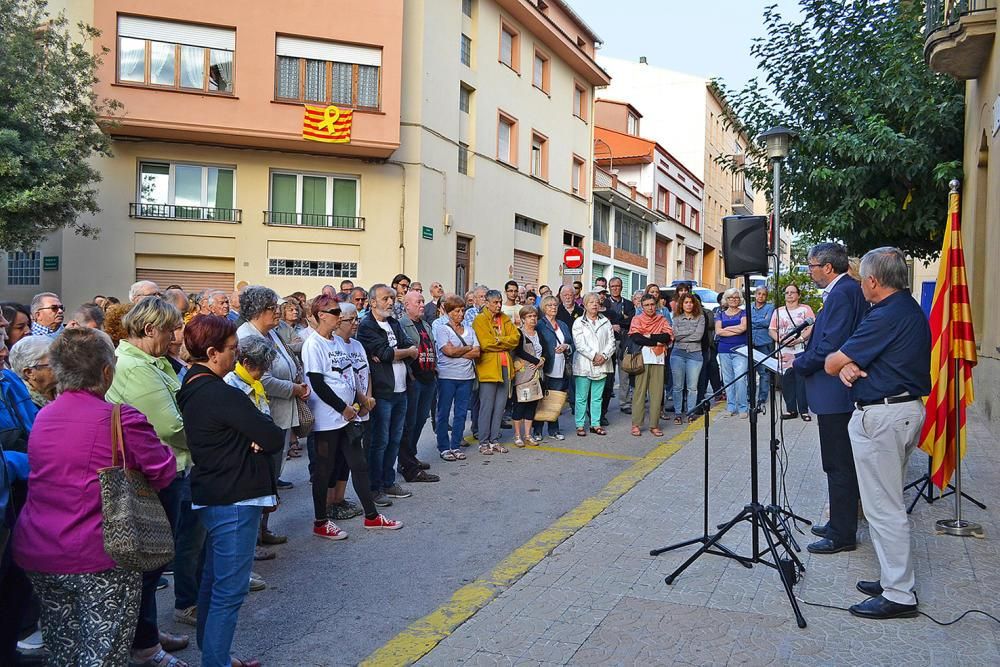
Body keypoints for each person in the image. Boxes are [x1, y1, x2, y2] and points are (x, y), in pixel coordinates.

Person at [13, 328, 176, 667]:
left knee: (63, 651)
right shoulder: (121, 418)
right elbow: (163, 471)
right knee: (103, 654)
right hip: (100, 553)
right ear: (106, 372)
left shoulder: (44, 415)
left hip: (40, 548)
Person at [823, 247, 930, 620]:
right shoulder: (905, 308)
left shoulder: (886, 313)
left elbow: (833, 360)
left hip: (885, 416)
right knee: (886, 502)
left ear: (871, 280)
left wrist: (843, 365)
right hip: (899, 410)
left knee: (883, 508)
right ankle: (891, 578)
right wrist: (850, 367)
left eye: (861, 277)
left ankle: (899, 594)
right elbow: (853, 363)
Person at [176, 315, 283, 667]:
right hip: (234, 497)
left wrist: (251, 435)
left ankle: (216, 655)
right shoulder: (219, 391)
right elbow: (271, 435)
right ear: (211, 352)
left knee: (212, 581)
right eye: (232, 350)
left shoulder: (191, 383)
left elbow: (259, 434)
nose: (236, 358)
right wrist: (252, 437)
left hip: (216, 491)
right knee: (228, 590)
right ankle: (216, 661)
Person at [104, 296, 190, 666]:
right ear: (150, 328)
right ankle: (144, 646)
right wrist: (213, 439)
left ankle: (148, 633)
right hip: (155, 475)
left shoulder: (150, 361)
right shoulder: (135, 367)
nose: (174, 337)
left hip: (167, 469)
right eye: (169, 329)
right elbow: (170, 425)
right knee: (148, 565)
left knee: (153, 565)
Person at [302, 296, 403, 539]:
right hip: (328, 418)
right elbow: (317, 383)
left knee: (358, 464)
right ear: (321, 315)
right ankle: (320, 521)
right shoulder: (313, 344)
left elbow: (347, 377)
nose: (339, 315)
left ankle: (371, 516)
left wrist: (361, 400)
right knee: (324, 470)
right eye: (334, 311)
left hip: (349, 415)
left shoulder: (337, 342)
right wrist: (342, 407)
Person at [792, 242, 868, 556]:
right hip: (833, 392)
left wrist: (799, 363)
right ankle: (839, 521)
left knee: (839, 464)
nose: (809, 273)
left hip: (838, 393)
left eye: (811, 266)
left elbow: (831, 347)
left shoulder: (843, 292)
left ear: (827, 267)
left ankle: (842, 533)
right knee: (835, 463)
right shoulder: (844, 290)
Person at [237, 286, 310, 548]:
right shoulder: (246, 336)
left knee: (271, 475)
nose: (278, 312)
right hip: (264, 414)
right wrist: (294, 388)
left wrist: (297, 379)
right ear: (257, 310)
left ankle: (262, 530)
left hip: (279, 413)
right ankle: (252, 539)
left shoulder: (270, 333)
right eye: (272, 308)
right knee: (260, 478)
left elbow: (287, 363)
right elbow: (262, 378)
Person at [358, 284, 418, 504]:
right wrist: (398, 353)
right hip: (383, 392)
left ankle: (388, 481)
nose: (391, 302)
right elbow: (384, 353)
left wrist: (399, 353)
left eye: (392, 298)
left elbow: (412, 347)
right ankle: (374, 488)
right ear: (373, 302)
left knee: (394, 439)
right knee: (379, 441)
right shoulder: (367, 326)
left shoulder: (393, 322)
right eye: (385, 299)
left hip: (401, 390)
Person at [471, 290, 520, 454]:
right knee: (487, 406)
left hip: (506, 367)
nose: (499, 305)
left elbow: (516, 338)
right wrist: (504, 342)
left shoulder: (505, 318)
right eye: (495, 302)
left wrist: (499, 341)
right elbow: (485, 344)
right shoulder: (480, 320)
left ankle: (494, 440)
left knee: (500, 406)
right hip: (488, 368)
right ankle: (483, 442)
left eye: (500, 302)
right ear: (487, 302)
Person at [398, 291, 440, 482]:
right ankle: (406, 462)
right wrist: (411, 375)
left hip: (429, 377)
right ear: (407, 305)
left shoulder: (425, 324)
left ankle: (410, 456)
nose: (422, 305)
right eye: (418, 302)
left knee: (422, 418)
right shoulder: (401, 325)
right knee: (410, 422)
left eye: (423, 301)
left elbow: (432, 347)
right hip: (414, 379)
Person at [433, 295, 480, 460]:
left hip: (466, 377)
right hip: (447, 376)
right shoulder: (442, 329)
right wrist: (467, 348)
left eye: (462, 310)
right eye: (457, 311)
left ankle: (455, 445)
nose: (461, 314)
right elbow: (448, 351)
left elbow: (477, 352)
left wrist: (459, 350)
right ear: (449, 312)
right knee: (444, 412)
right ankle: (444, 446)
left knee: (460, 413)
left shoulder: (470, 329)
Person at [571, 293, 615, 437]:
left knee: (597, 397)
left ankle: (595, 424)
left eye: (596, 302)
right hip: (584, 364)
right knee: (581, 397)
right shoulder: (579, 322)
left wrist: (604, 356)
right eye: (590, 302)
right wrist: (593, 356)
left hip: (602, 364)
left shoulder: (606, 321)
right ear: (584, 305)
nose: (594, 305)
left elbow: (611, 342)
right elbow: (579, 344)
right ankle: (579, 425)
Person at [628, 294, 673, 437]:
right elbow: (636, 338)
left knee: (657, 393)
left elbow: (667, 336)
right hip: (642, 358)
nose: (650, 307)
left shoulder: (662, 319)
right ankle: (636, 424)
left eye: (652, 304)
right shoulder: (637, 319)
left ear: (656, 305)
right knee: (640, 393)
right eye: (646, 305)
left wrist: (649, 336)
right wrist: (656, 340)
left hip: (658, 359)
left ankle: (654, 424)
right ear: (642, 306)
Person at [770, 283, 815, 420]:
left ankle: (804, 410)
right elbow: (771, 329)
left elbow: (812, 326)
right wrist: (781, 340)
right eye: (787, 292)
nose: (789, 295)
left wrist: (800, 338)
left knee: (801, 380)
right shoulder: (778, 311)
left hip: (801, 349)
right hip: (784, 349)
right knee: (786, 380)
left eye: (792, 292)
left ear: (798, 295)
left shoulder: (805, 309)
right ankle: (791, 410)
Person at [532, 295, 572, 441]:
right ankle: (537, 430)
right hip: (546, 366)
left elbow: (571, 343)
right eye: (549, 305)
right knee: (542, 398)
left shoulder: (562, 324)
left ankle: (553, 429)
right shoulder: (540, 324)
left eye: (555, 305)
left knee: (556, 399)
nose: (553, 308)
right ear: (544, 308)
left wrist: (566, 346)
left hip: (561, 367)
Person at [511, 305, 544, 447]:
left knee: (532, 404)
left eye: (535, 316)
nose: (533, 319)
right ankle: (517, 435)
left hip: (537, 374)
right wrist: (536, 361)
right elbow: (519, 352)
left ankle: (528, 435)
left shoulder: (538, 333)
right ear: (523, 319)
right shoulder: (519, 333)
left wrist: (542, 360)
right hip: (523, 375)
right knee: (520, 405)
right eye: (529, 316)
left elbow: (546, 350)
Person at [670, 294, 705, 424]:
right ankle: (678, 413)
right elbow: (674, 335)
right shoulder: (676, 318)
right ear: (682, 304)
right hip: (678, 353)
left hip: (695, 354)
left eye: (691, 302)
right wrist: (690, 332)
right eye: (686, 302)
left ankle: (691, 412)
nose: (689, 304)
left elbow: (698, 336)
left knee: (692, 387)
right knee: (677, 386)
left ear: (694, 304)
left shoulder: (700, 318)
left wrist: (682, 335)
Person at [715, 288, 749, 417]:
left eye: (736, 297)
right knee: (728, 380)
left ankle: (743, 407)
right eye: (730, 297)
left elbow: (743, 328)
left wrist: (727, 329)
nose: (733, 300)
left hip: (740, 349)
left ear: (740, 299)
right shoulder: (720, 314)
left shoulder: (744, 313)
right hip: (724, 350)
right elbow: (718, 331)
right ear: (726, 299)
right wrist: (735, 329)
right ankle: (731, 406)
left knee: (740, 379)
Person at [606, 277, 636, 413]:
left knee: (624, 373)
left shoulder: (629, 304)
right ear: (609, 288)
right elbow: (603, 320)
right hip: (607, 341)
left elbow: (631, 320)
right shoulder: (605, 303)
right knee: (607, 374)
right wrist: (612, 324)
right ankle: (603, 404)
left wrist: (619, 323)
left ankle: (625, 403)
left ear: (622, 287)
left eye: (617, 286)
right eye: (612, 286)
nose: (615, 288)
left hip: (624, 341)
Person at [9, 336, 55, 408]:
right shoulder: (21, 403)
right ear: (29, 373)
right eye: (54, 363)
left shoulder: (67, 387)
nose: (62, 366)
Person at [749, 286, 775, 411]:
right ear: (755, 294)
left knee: (764, 372)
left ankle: (762, 398)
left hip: (764, 343)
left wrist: (753, 322)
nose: (761, 296)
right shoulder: (749, 307)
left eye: (764, 294)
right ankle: (750, 397)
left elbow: (768, 322)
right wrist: (759, 321)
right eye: (759, 294)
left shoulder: (770, 307)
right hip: (749, 343)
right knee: (750, 371)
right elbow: (746, 322)